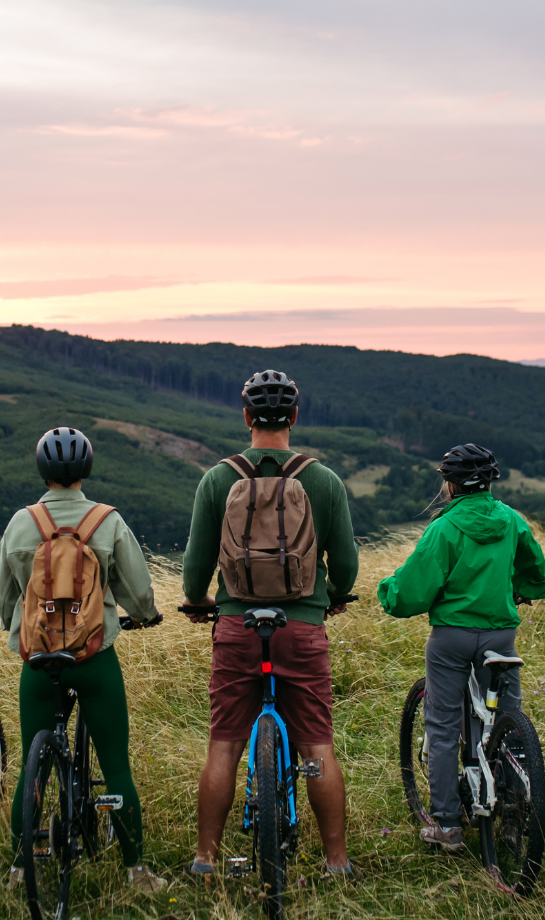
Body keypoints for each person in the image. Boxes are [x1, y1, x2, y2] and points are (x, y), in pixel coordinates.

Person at [181, 369, 361, 878]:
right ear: (295, 417)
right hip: (302, 628)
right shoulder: (322, 480)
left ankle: (206, 860)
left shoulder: (218, 479)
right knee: (317, 744)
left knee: (224, 746)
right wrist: (334, 596)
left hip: (238, 627)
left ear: (246, 417)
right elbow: (345, 565)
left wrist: (201, 600)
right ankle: (337, 862)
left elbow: (195, 569)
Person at [0, 426, 168, 893]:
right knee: (116, 766)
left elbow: (3, 596)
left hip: (38, 663)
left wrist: (20, 627)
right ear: (86, 469)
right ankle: (135, 872)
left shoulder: (21, 523)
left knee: (32, 767)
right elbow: (138, 592)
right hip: (94, 659)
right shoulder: (107, 521)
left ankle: (18, 870)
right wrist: (145, 617)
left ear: (42, 470)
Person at [377, 443, 545, 853]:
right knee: (507, 721)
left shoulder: (444, 528)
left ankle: (446, 826)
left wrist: (386, 592)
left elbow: (410, 593)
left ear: (450, 484)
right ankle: (514, 814)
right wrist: (519, 591)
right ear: (490, 481)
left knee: (441, 726)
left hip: (451, 639)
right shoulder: (512, 520)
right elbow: (541, 577)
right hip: (500, 636)